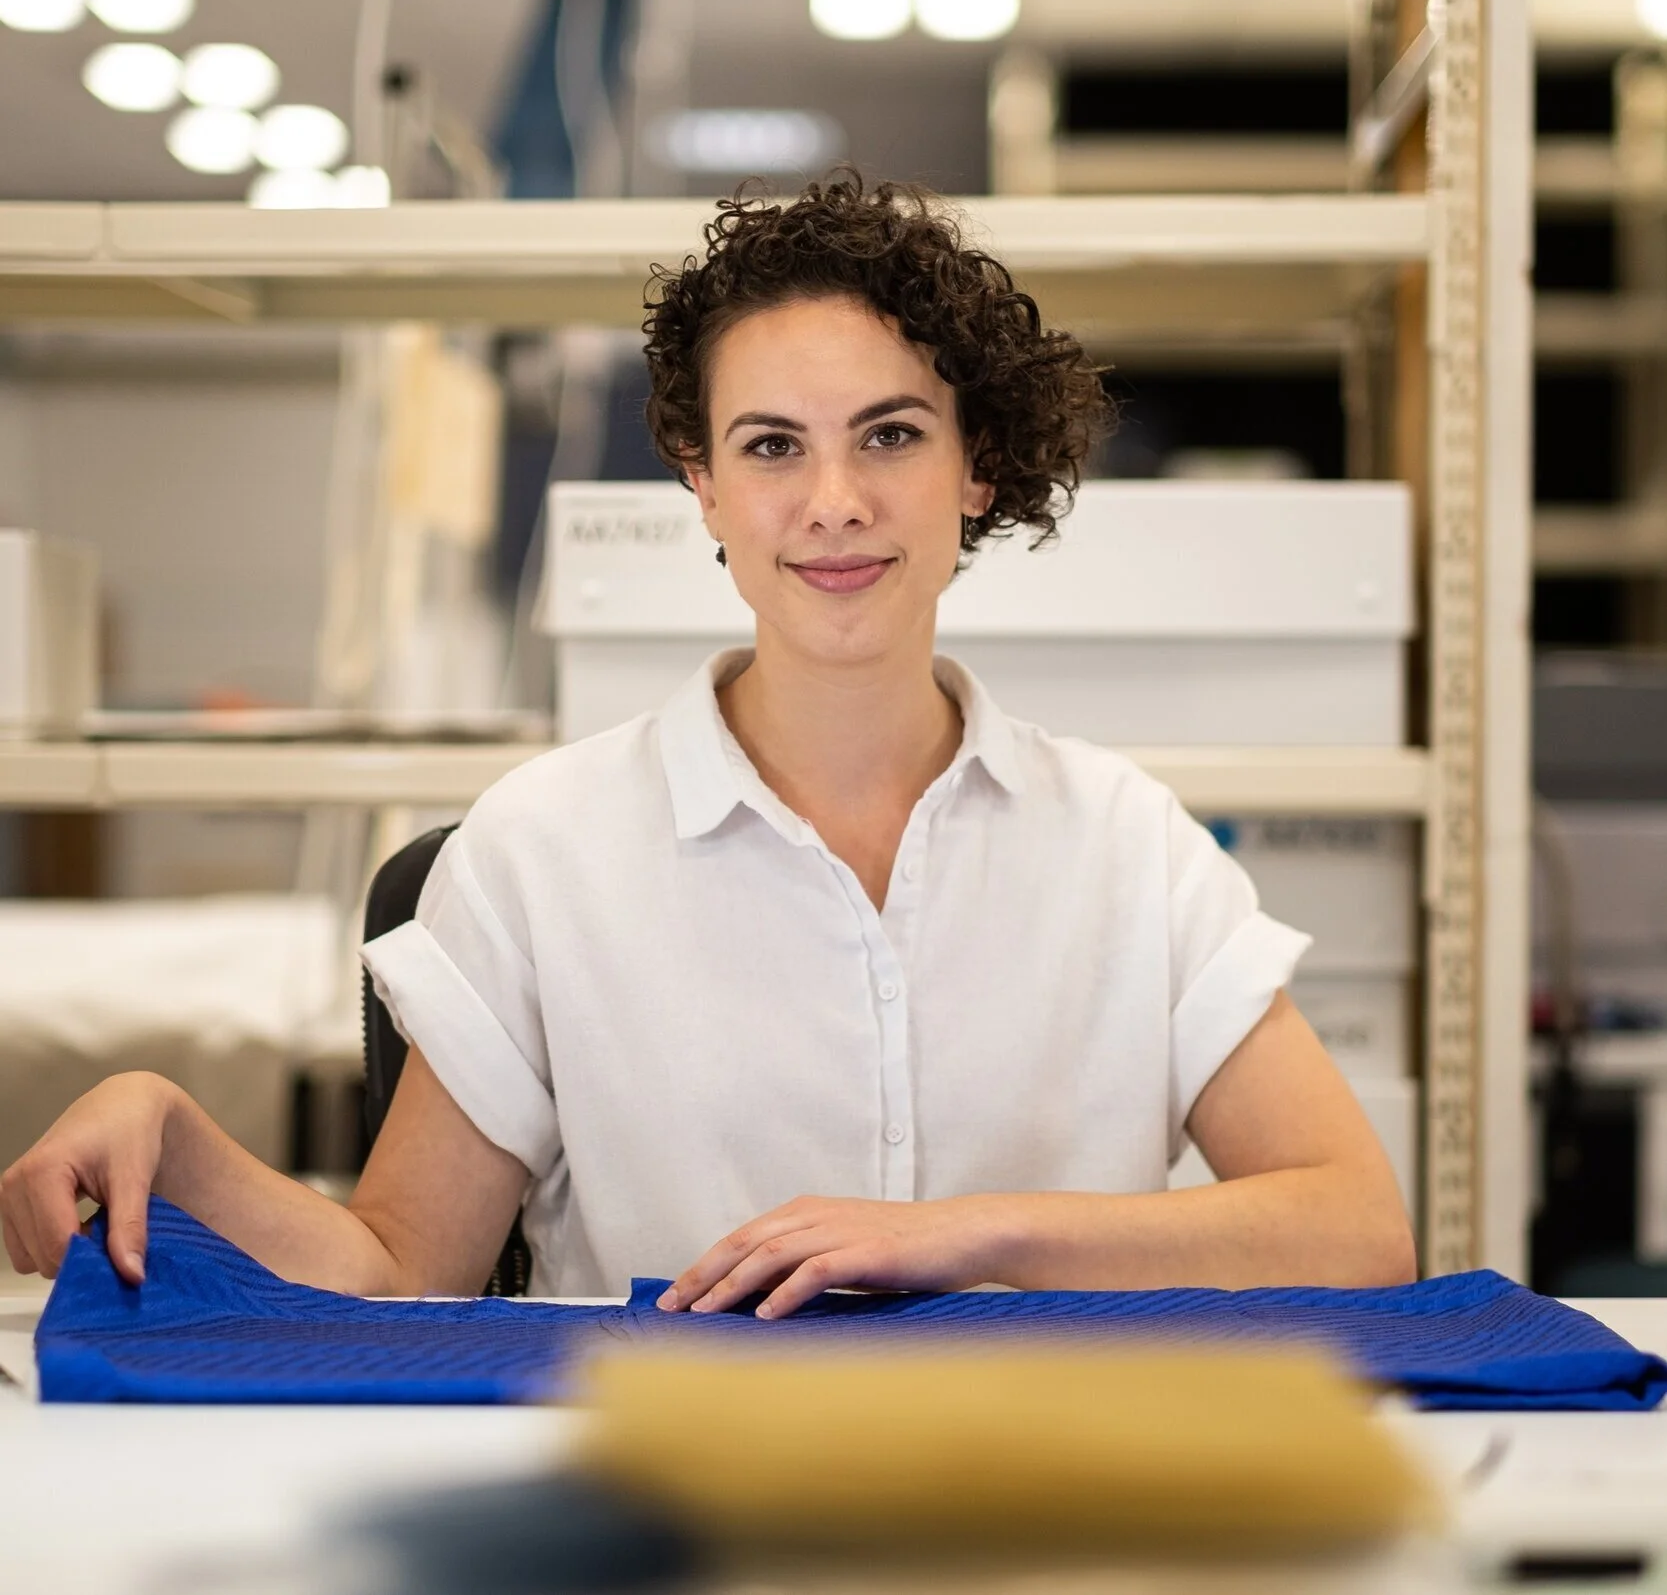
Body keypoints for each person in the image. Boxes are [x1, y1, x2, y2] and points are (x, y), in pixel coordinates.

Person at [1, 175, 1415, 1316]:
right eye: (772, 446)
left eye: (891, 434)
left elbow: (1355, 1228)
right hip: (646, 1510)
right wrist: (179, 1135)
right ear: (705, 490)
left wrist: (951, 1237)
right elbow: (394, 1272)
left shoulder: (1123, 842)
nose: (836, 500)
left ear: (975, 466)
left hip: (1041, 1499)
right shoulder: (543, 848)